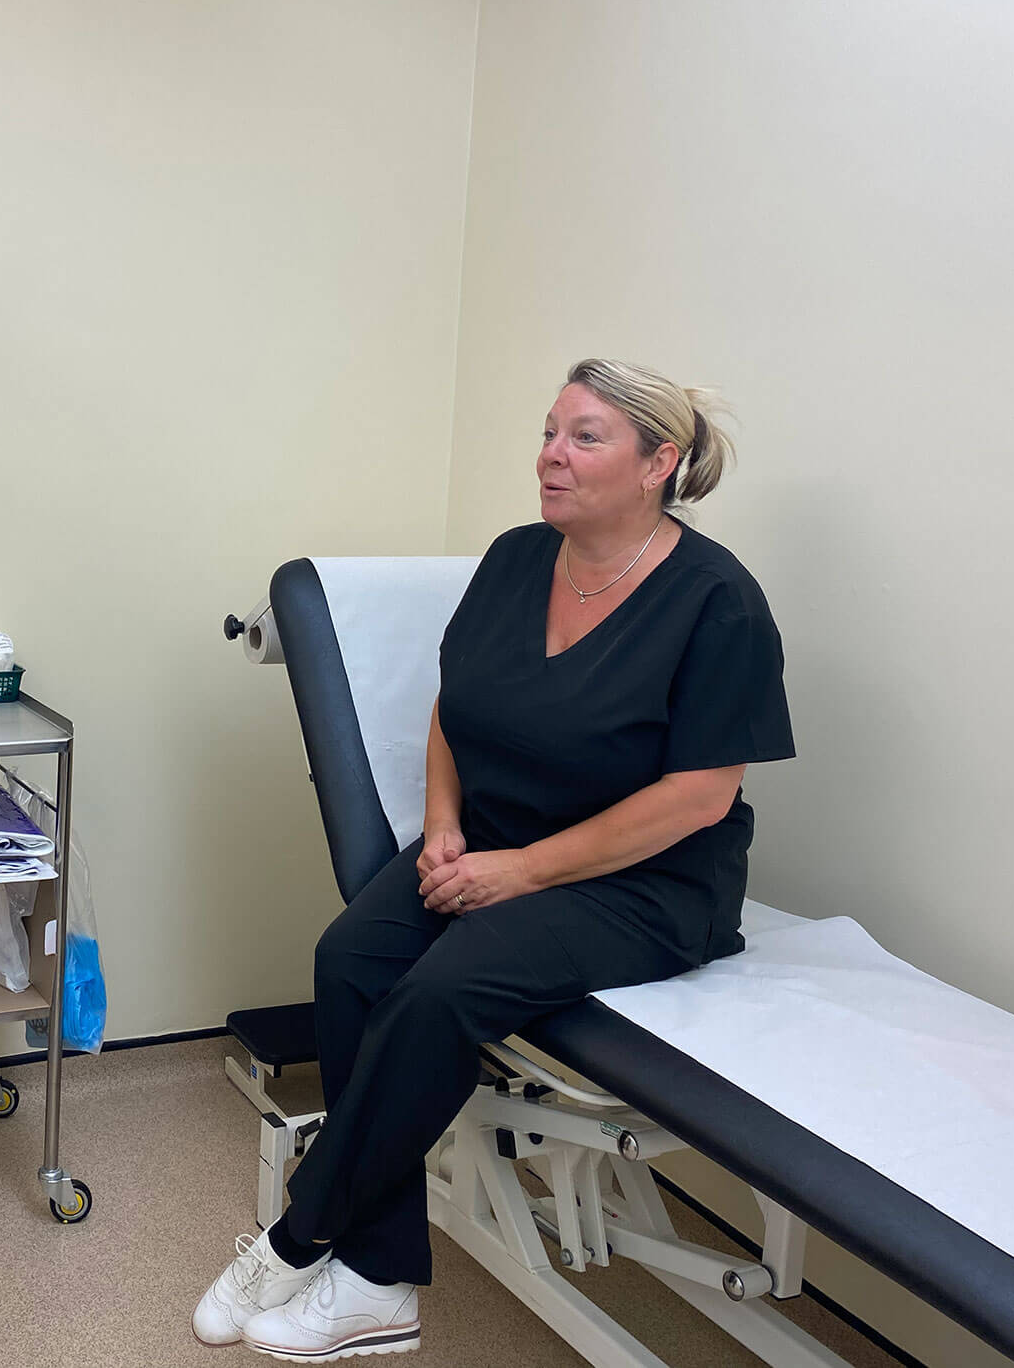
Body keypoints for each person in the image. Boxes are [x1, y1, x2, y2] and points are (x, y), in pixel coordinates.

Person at [194, 358, 794, 1361]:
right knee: (348, 958)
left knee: (435, 995)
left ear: (661, 462)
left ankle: (301, 1234)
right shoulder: (520, 557)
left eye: (583, 437)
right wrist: (439, 824)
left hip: (643, 883)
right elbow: (452, 705)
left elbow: (700, 796)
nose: (548, 455)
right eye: (548, 431)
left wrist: (518, 873)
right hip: (492, 839)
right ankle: (381, 1277)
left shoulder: (715, 601)